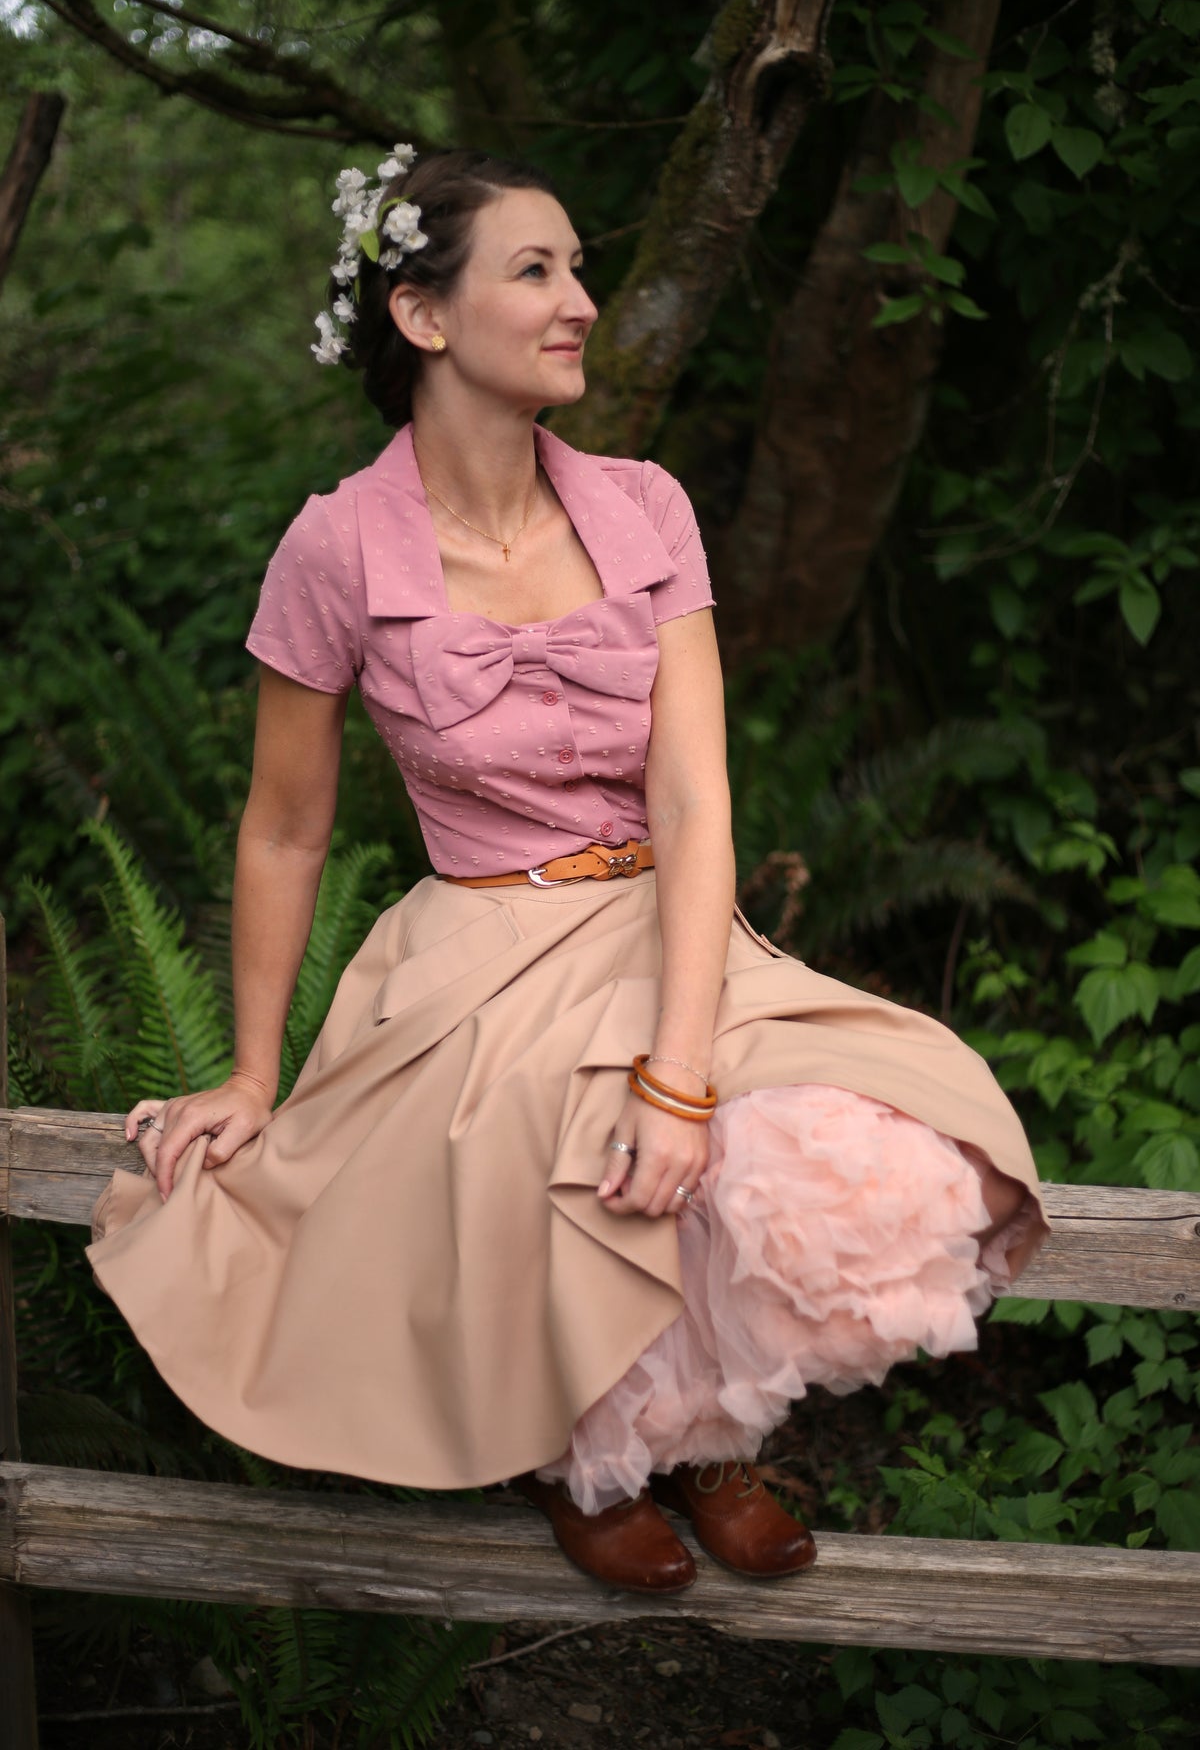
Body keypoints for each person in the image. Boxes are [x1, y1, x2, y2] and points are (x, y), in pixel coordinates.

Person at [87, 147, 1048, 1596]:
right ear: (423, 316)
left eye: (580, 267)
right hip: (480, 943)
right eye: (536, 270)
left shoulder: (647, 506)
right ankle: (586, 1451)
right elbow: (282, 830)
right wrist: (249, 1071)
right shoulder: (336, 548)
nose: (581, 301)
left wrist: (682, 1070)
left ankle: (711, 1430)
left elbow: (696, 794)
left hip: (669, 914)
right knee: (548, 1145)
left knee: (853, 1127)